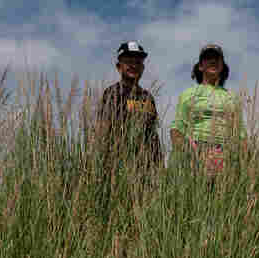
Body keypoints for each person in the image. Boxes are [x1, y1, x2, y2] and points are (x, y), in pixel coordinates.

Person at [170, 45, 243, 174]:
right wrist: (193, 155)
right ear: (200, 66)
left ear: (222, 66)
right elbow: (177, 128)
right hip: (194, 154)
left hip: (225, 155)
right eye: (208, 58)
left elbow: (240, 133)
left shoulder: (232, 97)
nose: (213, 61)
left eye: (217, 58)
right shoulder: (188, 94)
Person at [97, 42, 162, 167]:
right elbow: (103, 129)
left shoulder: (148, 97)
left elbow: (153, 133)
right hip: (121, 164)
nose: (133, 66)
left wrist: (159, 164)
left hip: (149, 166)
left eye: (138, 62)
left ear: (143, 67)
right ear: (119, 66)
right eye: (128, 61)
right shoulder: (112, 92)